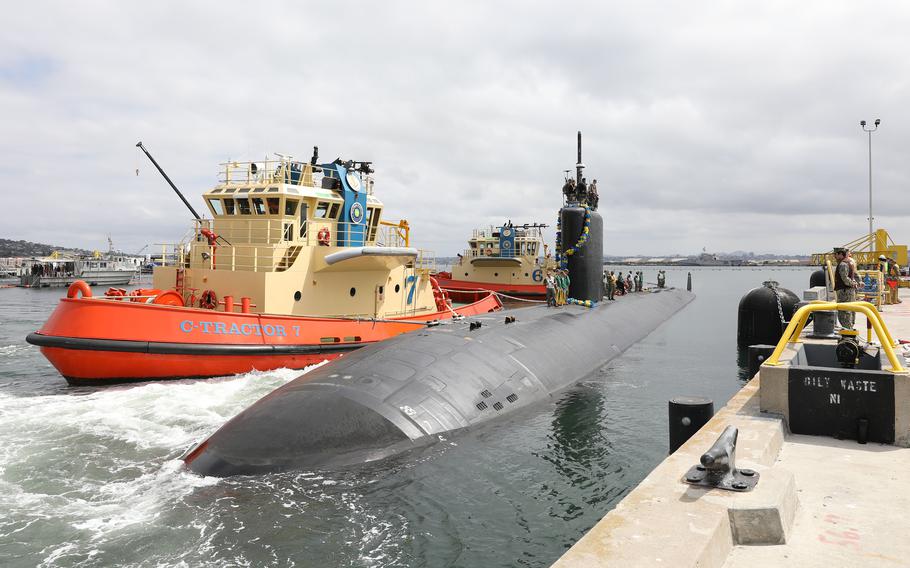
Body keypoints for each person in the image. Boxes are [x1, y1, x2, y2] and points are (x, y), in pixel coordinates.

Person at [833, 248, 856, 330]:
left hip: (844, 292)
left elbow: (845, 279)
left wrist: (853, 284)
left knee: (844, 313)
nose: (834, 256)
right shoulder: (850, 262)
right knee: (850, 311)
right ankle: (849, 329)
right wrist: (854, 283)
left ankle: (847, 331)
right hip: (848, 291)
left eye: (835, 254)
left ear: (840, 254)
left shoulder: (843, 264)